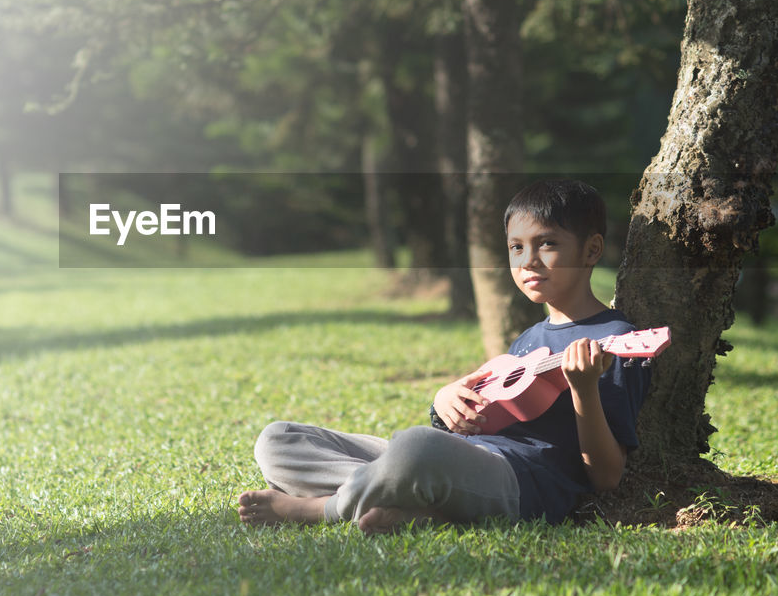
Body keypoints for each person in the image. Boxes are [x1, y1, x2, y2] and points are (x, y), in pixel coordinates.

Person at [237, 179, 651, 532]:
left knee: (417, 449)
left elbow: (606, 476)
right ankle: (422, 508)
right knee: (279, 439)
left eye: (547, 244)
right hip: (462, 456)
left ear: (592, 250)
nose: (529, 261)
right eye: (516, 247)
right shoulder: (529, 337)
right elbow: (488, 415)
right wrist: (445, 401)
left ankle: (320, 508)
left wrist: (583, 389)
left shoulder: (615, 339)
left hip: (521, 480)